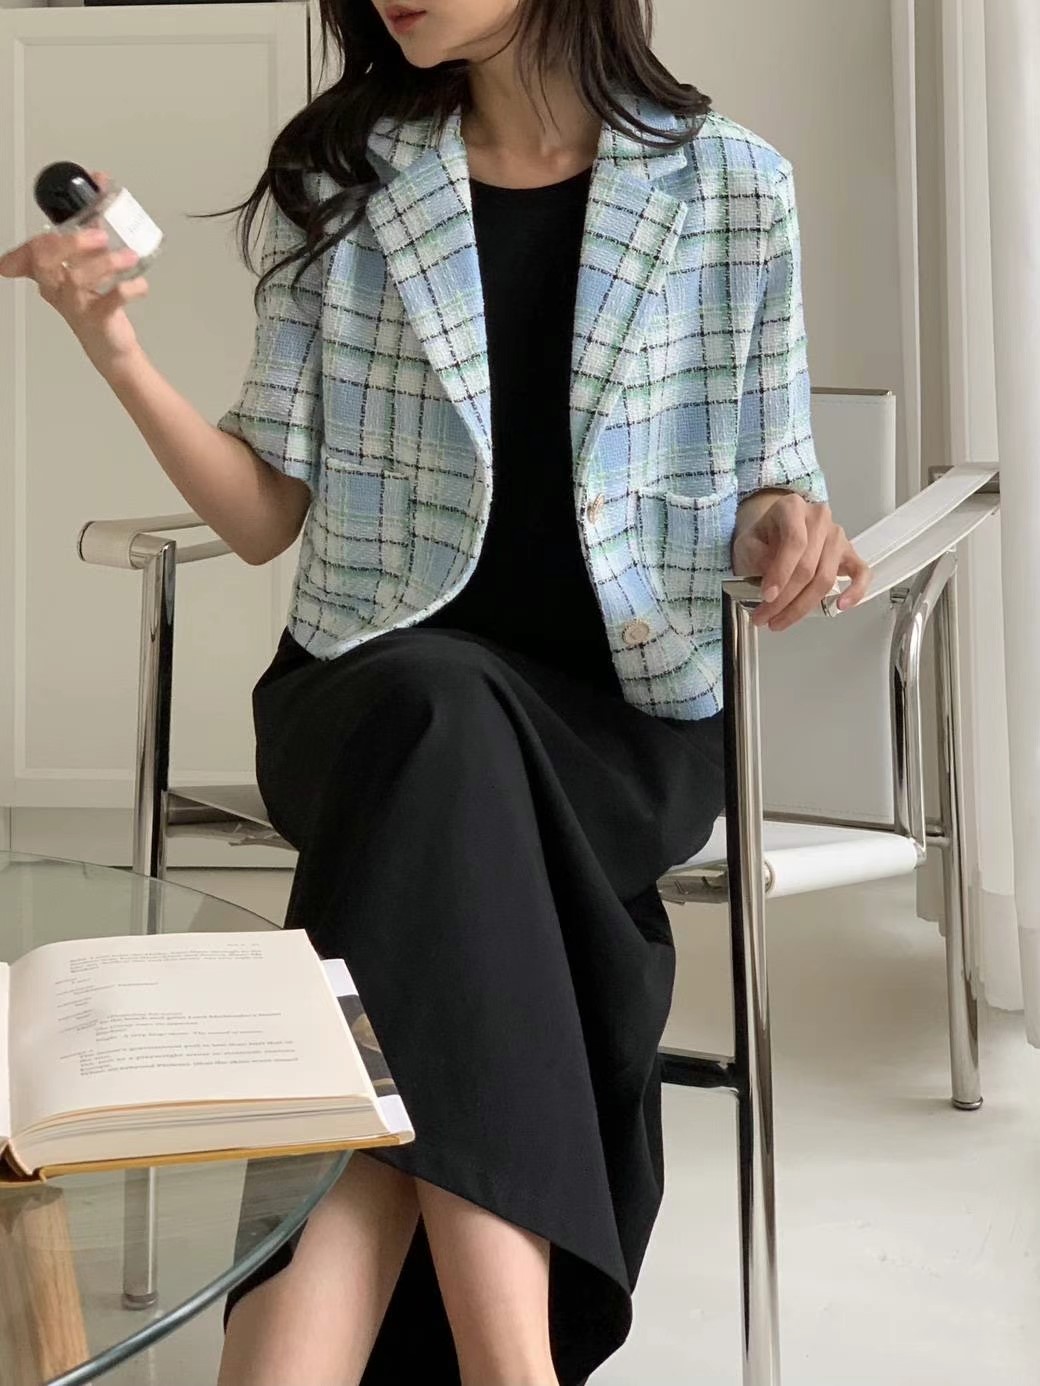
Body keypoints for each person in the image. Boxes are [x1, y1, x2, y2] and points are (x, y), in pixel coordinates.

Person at [1, 2, 870, 1381]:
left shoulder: (733, 187)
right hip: (366, 695)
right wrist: (115, 349)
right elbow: (265, 514)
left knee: (418, 899)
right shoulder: (344, 178)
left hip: (617, 727)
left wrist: (784, 529)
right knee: (440, 720)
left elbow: (773, 478)